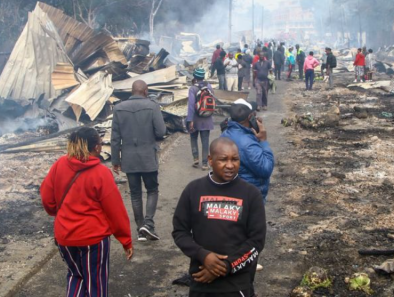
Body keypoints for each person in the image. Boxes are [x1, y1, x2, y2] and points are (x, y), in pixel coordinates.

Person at [41, 127, 133, 297]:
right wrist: (125, 240)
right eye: (100, 143)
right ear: (96, 148)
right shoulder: (101, 173)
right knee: (95, 282)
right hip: (93, 238)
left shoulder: (59, 164)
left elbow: (47, 198)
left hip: (65, 237)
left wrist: (59, 214)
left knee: (75, 276)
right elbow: (115, 210)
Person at [172, 137, 267, 297]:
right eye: (223, 160)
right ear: (210, 160)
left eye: (235, 159)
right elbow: (180, 232)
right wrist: (203, 255)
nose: (230, 165)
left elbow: (256, 241)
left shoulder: (251, 194)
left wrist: (225, 266)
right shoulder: (193, 190)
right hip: (201, 280)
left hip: (237, 284)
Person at [112, 80, 166, 241]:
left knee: (135, 194)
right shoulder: (152, 106)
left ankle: (140, 228)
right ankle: (148, 225)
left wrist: (116, 160)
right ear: (145, 91)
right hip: (148, 155)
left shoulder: (119, 108)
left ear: (132, 90)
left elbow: (115, 138)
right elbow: (161, 131)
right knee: (152, 190)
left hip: (129, 158)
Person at [221, 99, 274, 203]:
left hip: (232, 191)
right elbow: (265, 169)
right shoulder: (247, 143)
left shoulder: (226, 133)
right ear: (250, 117)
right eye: (254, 114)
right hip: (249, 196)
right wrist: (263, 141)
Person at [187, 68, 215, 170]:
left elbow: (191, 106)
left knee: (193, 138)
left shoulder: (193, 89)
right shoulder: (209, 86)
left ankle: (195, 159)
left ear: (195, 77)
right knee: (205, 141)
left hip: (195, 118)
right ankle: (204, 163)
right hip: (207, 118)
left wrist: (190, 120)